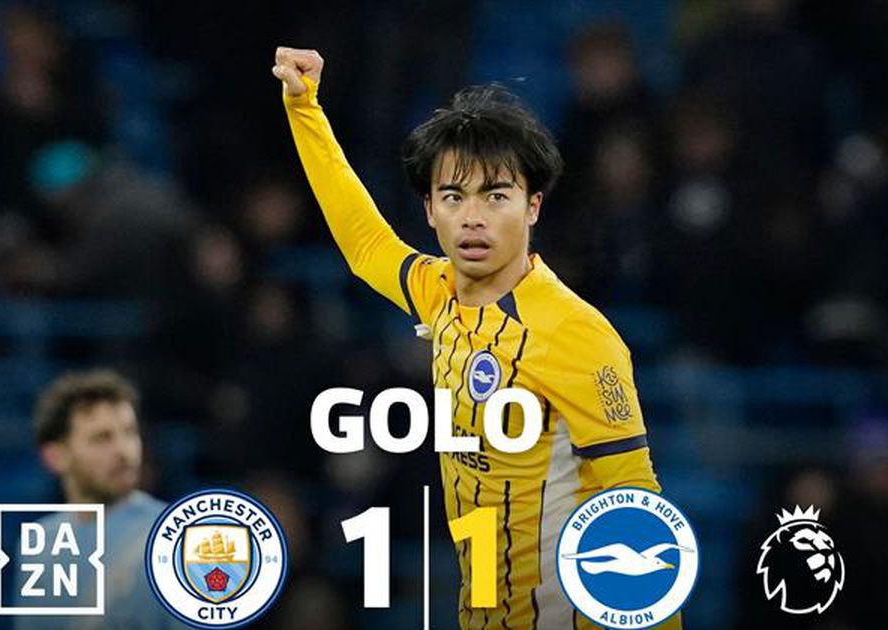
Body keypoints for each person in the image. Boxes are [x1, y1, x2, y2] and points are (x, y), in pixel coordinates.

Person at [274, 47, 678, 629]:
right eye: (453, 196)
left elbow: (637, 501)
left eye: (496, 195)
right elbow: (364, 244)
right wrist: (304, 108)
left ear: (532, 206)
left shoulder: (576, 332)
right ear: (429, 210)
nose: (472, 217)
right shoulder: (438, 293)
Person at [15, 369, 181, 629]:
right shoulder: (39, 542)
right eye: (102, 438)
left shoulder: (178, 537)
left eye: (130, 432)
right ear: (55, 457)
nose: (124, 451)